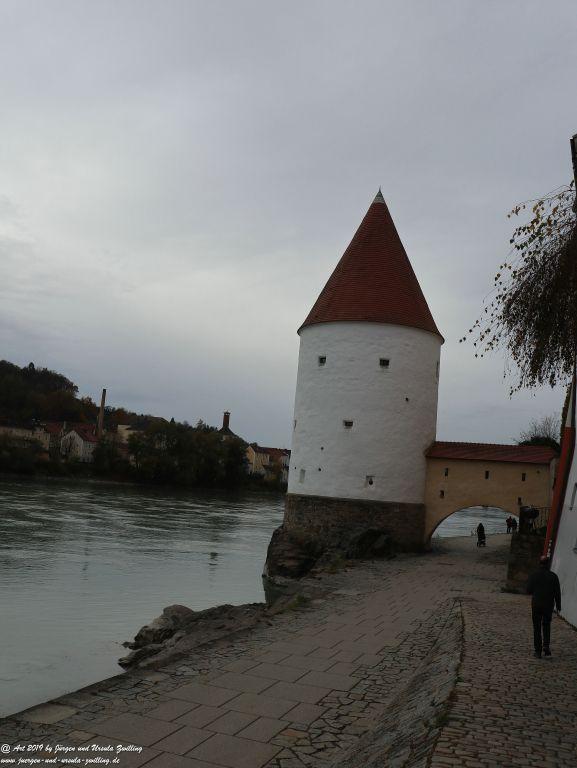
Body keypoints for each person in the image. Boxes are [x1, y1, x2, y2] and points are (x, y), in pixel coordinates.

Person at [527, 556, 561, 659]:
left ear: (539, 563)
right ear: (548, 564)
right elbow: (557, 592)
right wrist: (559, 605)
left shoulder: (534, 575)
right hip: (548, 605)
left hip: (536, 604)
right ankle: (546, 646)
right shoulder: (553, 576)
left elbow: (528, 590)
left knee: (536, 627)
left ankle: (538, 651)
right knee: (546, 625)